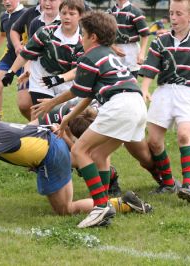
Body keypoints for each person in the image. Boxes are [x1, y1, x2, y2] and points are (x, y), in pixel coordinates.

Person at [0, 93, 152, 228]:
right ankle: (120, 202)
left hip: (52, 154)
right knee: (67, 201)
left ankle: (120, 203)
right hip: (50, 149)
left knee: (65, 210)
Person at [31, 11, 148, 228]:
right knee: (99, 153)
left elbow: (76, 92)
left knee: (79, 151)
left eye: (83, 34)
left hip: (120, 105)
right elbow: (88, 95)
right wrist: (67, 119)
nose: (81, 38)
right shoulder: (107, 55)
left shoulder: (90, 56)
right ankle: (104, 202)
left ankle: (100, 207)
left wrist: (50, 103)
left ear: (93, 37)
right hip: (138, 106)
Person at [139, 0, 190, 200]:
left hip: (189, 93)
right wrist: (145, 90)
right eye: (171, 13)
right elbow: (150, 69)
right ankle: (169, 183)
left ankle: (189, 185)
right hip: (164, 92)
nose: (173, 18)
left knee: (183, 134)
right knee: (154, 141)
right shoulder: (160, 41)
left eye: (179, 14)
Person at [2, 0, 82, 121]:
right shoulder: (45, 32)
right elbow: (26, 53)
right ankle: (38, 135)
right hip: (42, 77)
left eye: (72, 14)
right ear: (59, 14)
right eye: (64, 13)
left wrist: (59, 79)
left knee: (66, 119)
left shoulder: (83, 39)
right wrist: (11, 72)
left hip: (67, 80)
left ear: (80, 16)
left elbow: (78, 70)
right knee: (44, 117)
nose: (67, 17)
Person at [0, 0, 26, 120]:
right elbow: (2, 34)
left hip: (25, 58)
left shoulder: (26, 14)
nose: (7, 1)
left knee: (26, 99)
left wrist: (25, 45)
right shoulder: (4, 16)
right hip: (9, 55)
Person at [107, 0, 149, 77]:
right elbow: (105, 33)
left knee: (131, 78)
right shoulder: (109, 12)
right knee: (114, 77)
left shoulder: (135, 12)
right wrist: (113, 47)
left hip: (131, 51)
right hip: (113, 49)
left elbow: (145, 34)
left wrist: (142, 53)